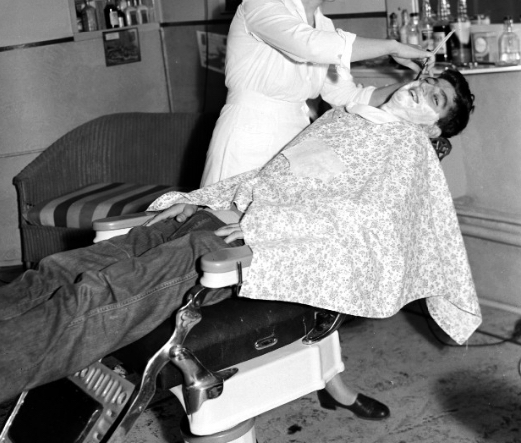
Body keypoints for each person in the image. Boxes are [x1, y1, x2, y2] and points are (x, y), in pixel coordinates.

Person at [0, 71, 480, 418]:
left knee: (96, 296)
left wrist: (263, 229)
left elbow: (368, 222)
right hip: (215, 217)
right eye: (430, 78)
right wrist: (191, 200)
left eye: (436, 97)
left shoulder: (408, 153)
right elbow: (268, 177)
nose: (424, 85)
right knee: (59, 270)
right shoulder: (350, 120)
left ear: (433, 129)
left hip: (240, 246)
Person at [201, 0, 434, 185]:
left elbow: (345, 96)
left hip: (294, 147)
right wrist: (391, 46)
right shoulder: (261, 2)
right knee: (225, 224)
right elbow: (306, 46)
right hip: (245, 145)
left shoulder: (324, 27)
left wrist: (411, 89)